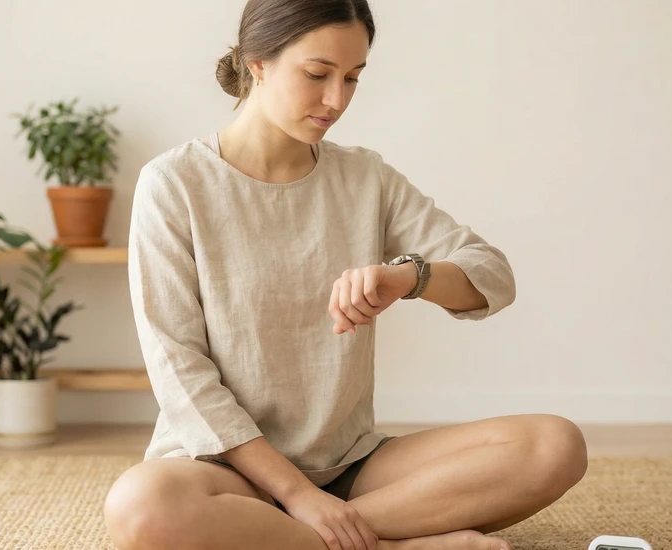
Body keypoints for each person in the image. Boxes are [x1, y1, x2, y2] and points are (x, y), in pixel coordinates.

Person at [104, 1, 587, 549]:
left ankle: (305, 539)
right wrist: (298, 495)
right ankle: (387, 543)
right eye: (317, 74)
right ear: (257, 62)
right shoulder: (174, 183)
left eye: (353, 78)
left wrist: (408, 278)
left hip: (351, 466)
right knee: (139, 510)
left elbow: (492, 275)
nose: (337, 100)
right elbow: (179, 374)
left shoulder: (364, 177)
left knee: (555, 445)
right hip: (222, 468)